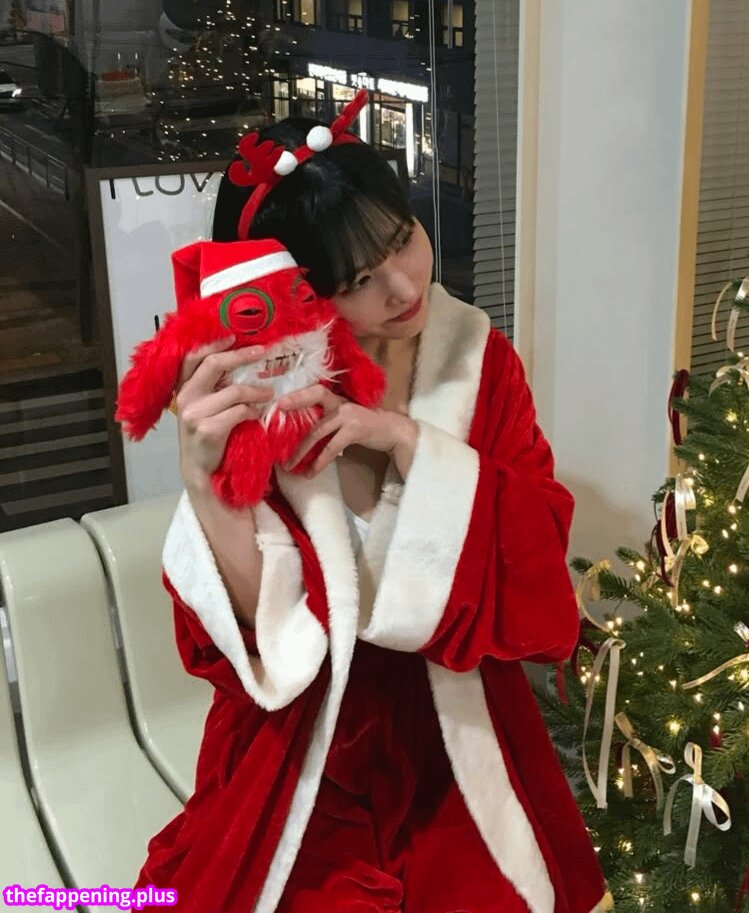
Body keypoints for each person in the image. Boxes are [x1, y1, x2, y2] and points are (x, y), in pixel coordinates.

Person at [134, 95, 613, 913]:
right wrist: (205, 486)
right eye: (359, 279)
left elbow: (536, 557)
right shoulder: (259, 390)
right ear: (298, 287)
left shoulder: (477, 360)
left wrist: (407, 441)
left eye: (402, 237)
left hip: (457, 721)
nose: (403, 285)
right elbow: (256, 650)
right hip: (307, 738)